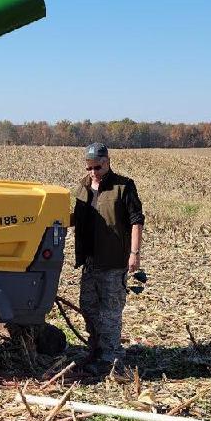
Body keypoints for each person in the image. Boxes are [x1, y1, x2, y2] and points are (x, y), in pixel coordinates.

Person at [69, 143, 143, 376]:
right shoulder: (83, 187)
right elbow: (77, 218)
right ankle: (96, 349)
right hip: (90, 260)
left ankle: (110, 358)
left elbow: (136, 220)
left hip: (113, 260)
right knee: (88, 306)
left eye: (98, 167)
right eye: (89, 167)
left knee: (110, 311)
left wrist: (134, 253)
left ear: (108, 161)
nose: (93, 172)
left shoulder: (124, 186)